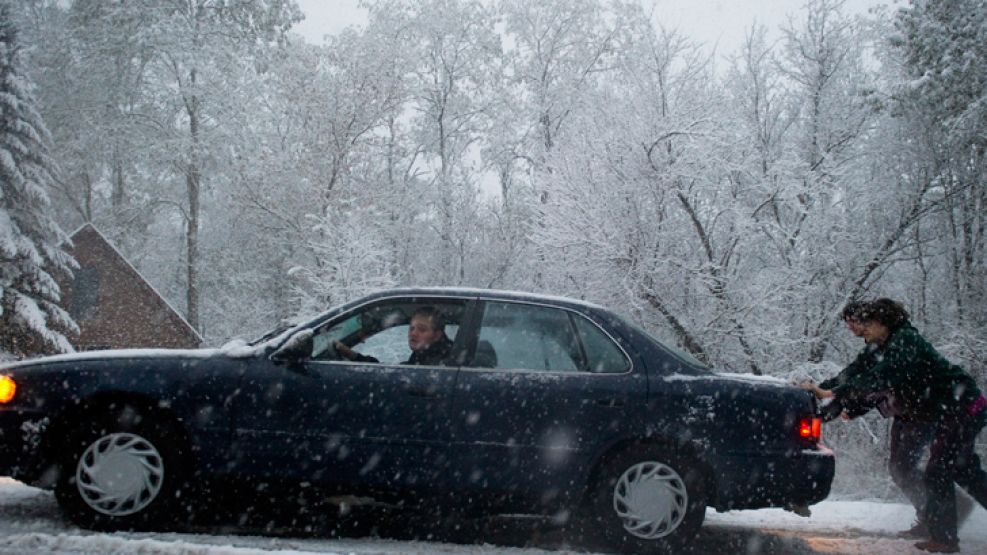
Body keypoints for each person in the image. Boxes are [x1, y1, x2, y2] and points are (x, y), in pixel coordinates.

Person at [802, 298, 987, 553]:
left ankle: (944, 539)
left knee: (939, 470)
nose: (862, 330)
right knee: (963, 470)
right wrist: (826, 390)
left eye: (867, 324)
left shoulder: (905, 341)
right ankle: (941, 533)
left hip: (963, 407)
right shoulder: (883, 344)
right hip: (952, 410)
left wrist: (834, 393)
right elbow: (856, 372)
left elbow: (881, 376)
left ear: (883, 323)